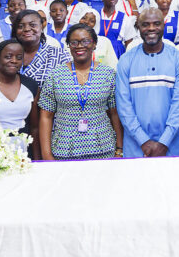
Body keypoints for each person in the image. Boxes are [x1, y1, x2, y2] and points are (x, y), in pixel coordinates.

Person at [115, 6, 179, 158]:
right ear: (138, 27)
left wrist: (164, 142)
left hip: (170, 146)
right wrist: (143, 141)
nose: (151, 28)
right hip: (136, 146)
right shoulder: (126, 60)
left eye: (156, 24)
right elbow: (124, 106)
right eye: (145, 24)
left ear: (164, 25)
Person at [39, 25, 122, 160]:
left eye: (85, 41)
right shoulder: (55, 75)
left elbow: (115, 113)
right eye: (74, 42)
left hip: (103, 149)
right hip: (64, 150)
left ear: (94, 44)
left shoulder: (108, 74)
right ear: (69, 45)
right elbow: (45, 117)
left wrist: (119, 149)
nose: (79, 46)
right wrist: (47, 154)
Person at [12, 9, 71, 84]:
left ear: (41, 26)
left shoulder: (60, 55)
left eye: (32, 25)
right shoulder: (7, 54)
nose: (26, 29)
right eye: (20, 26)